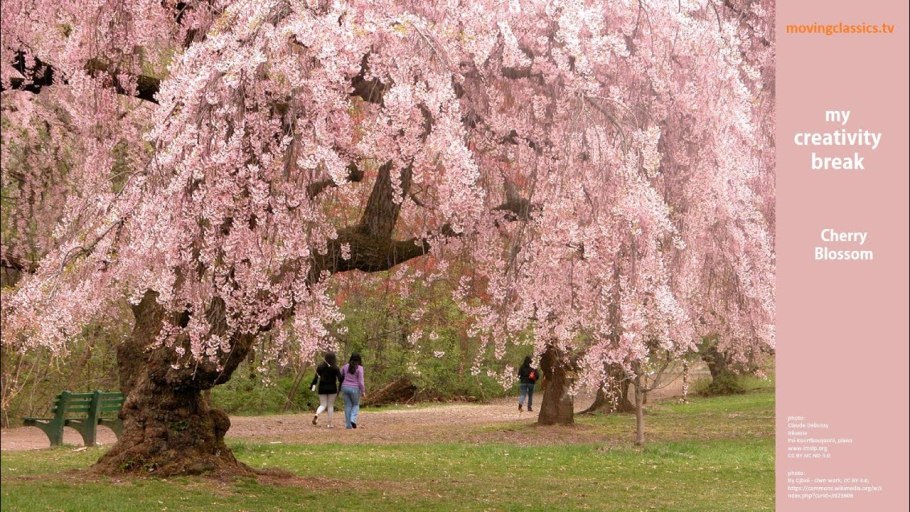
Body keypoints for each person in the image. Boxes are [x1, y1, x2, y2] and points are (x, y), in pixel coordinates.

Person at [310, 352, 344, 428]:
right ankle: (329, 424)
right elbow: (340, 379)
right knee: (330, 406)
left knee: (322, 405)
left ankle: (317, 414)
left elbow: (316, 377)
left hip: (322, 388)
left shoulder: (320, 367)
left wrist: (313, 386)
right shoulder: (335, 368)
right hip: (332, 388)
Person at [339, 352, 366, 429]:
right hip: (355, 389)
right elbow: (361, 381)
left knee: (347, 406)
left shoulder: (345, 366)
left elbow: (341, 376)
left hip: (344, 387)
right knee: (356, 404)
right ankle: (352, 420)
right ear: (359, 359)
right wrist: (363, 391)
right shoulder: (360, 368)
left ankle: (348, 425)